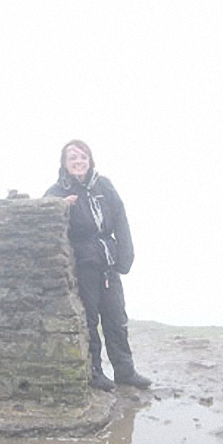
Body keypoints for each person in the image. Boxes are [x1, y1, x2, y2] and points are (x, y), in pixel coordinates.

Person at [44, 139, 152, 392]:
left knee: (116, 317)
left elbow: (120, 219)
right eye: (73, 158)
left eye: (83, 157)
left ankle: (125, 371)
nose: (79, 162)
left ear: (90, 160)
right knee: (89, 319)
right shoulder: (57, 191)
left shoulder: (104, 186)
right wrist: (61, 206)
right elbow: (44, 215)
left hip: (108, 261)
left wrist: (125, 258)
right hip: (82, 264)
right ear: (64, 164)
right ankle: (94, 372)